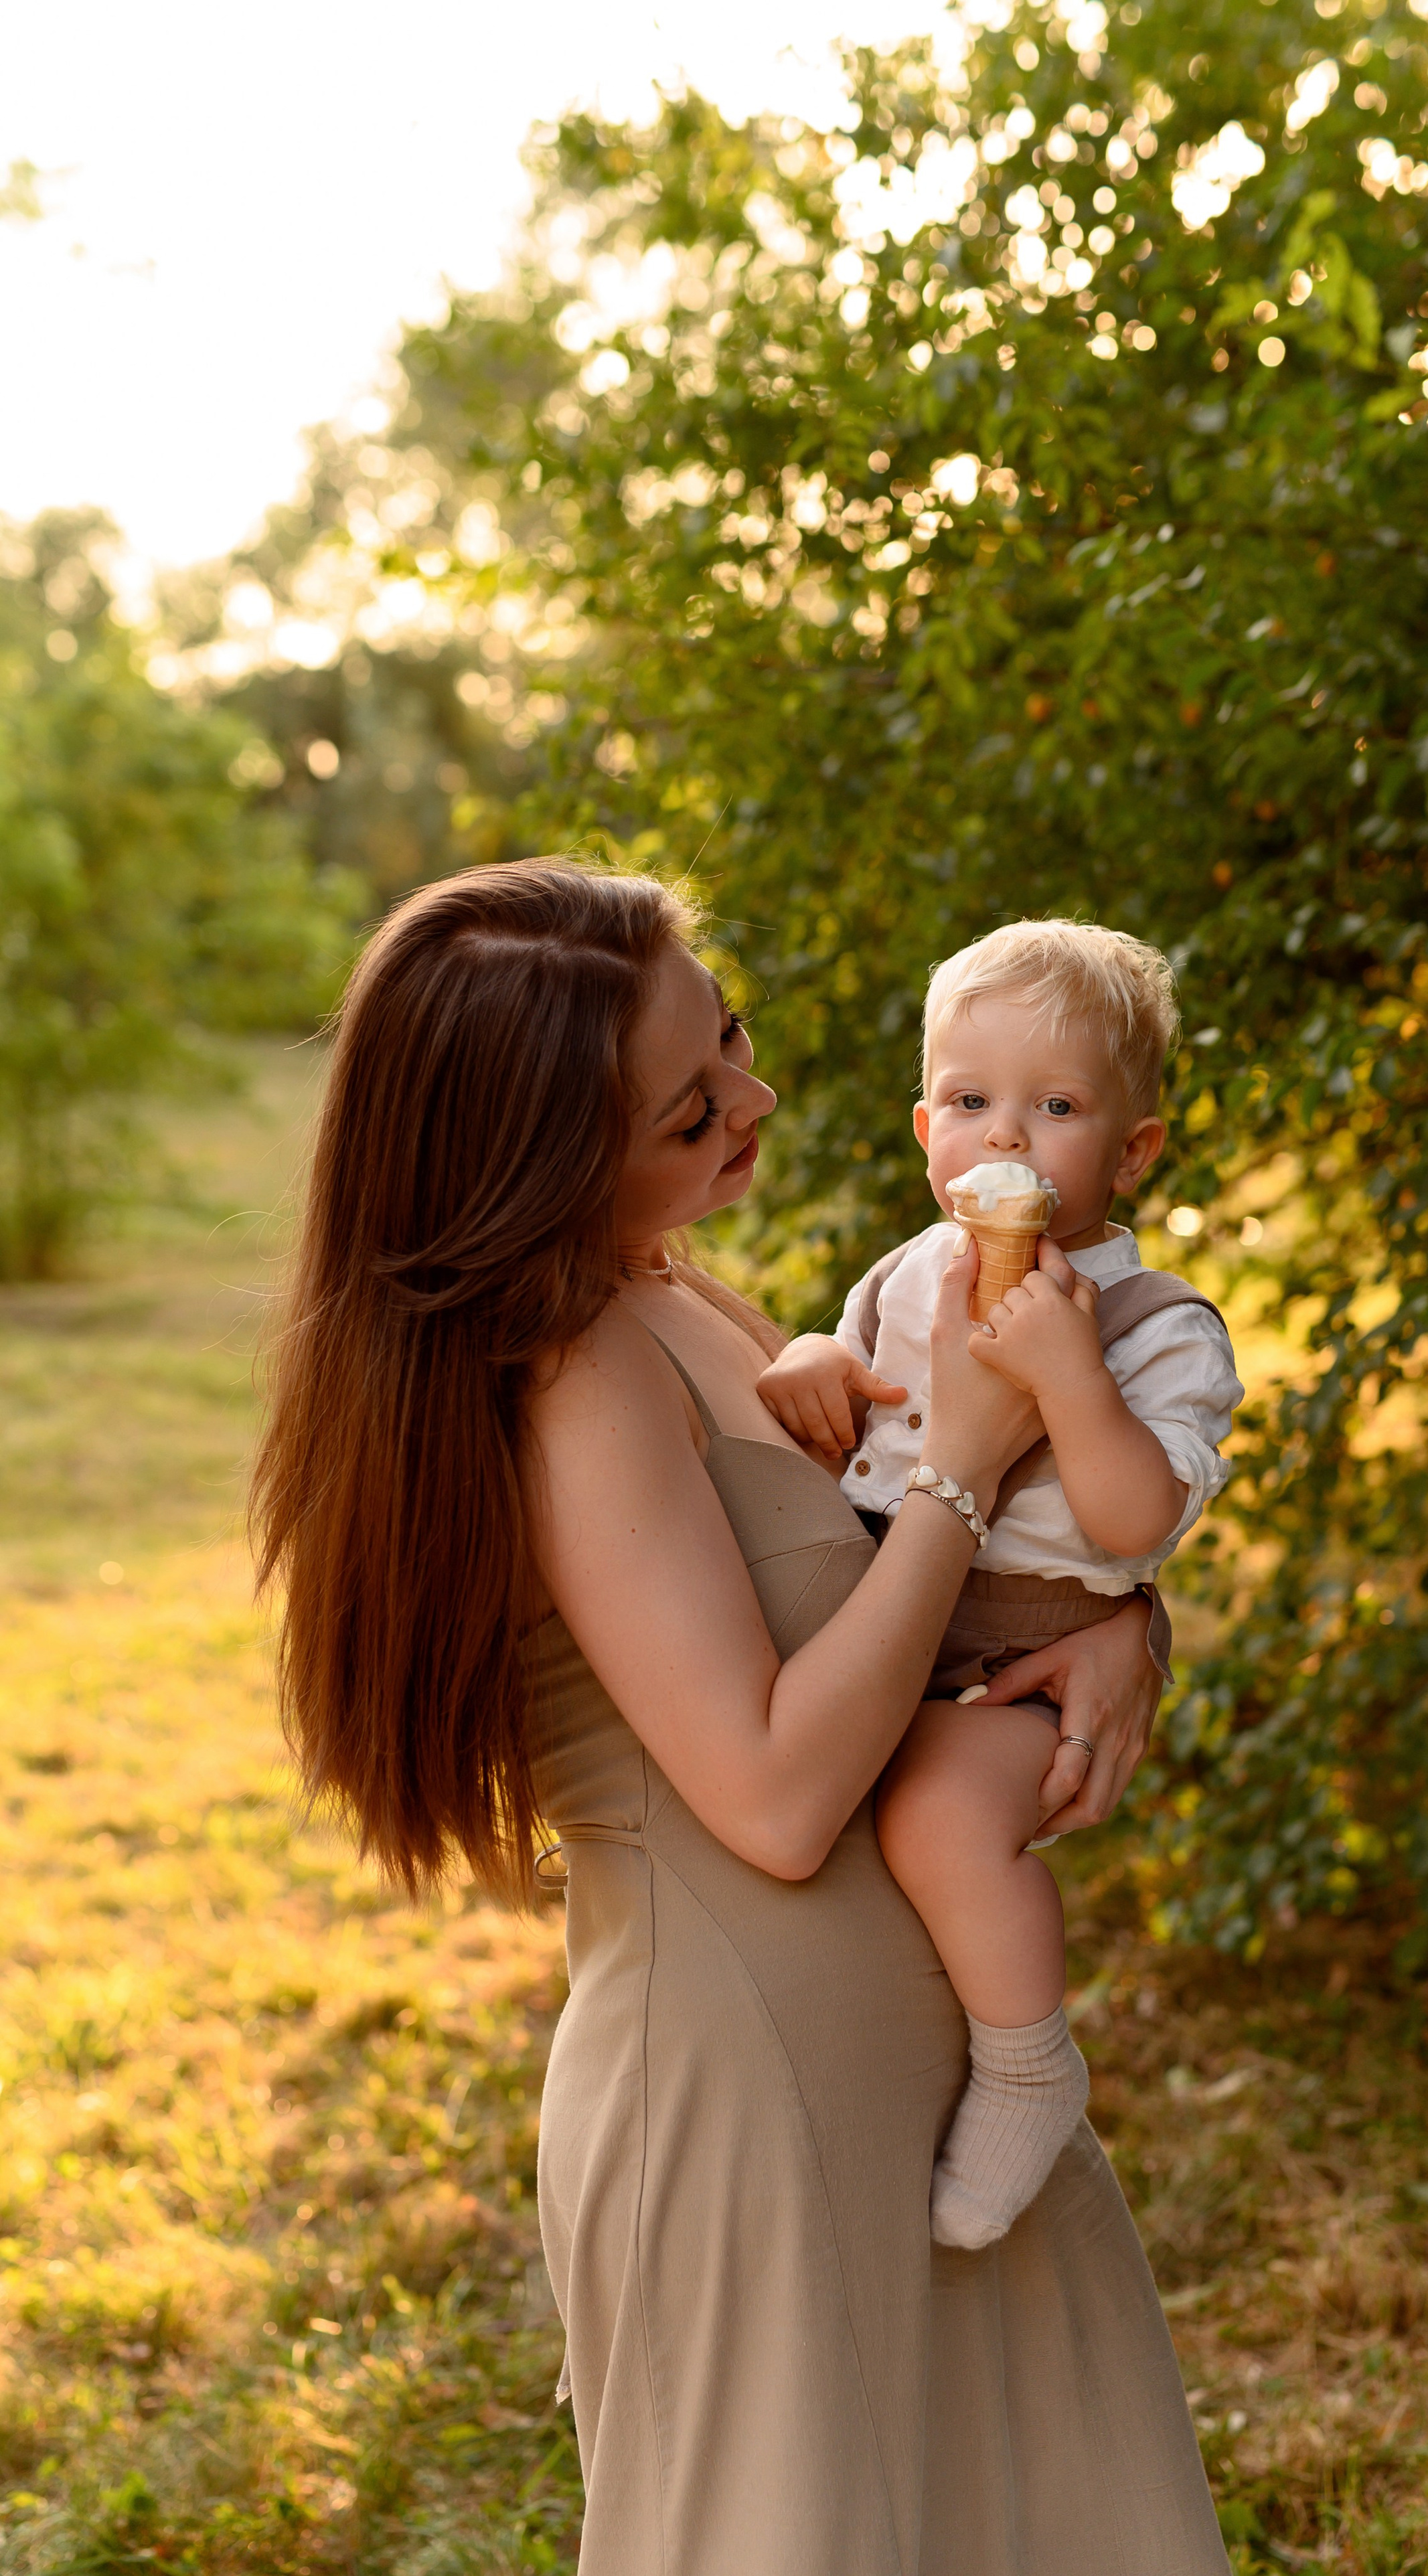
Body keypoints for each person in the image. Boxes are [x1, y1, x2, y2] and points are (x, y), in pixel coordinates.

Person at [251, 860, 1230, 2576]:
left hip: (926, 2075)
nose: (757, 1101)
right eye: (692, 1100)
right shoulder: (568, 1376)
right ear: (542, 1157)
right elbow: (773, 1795)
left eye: (736, 1041)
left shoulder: (674, 1287)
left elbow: (906, 1589)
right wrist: (962, 1460)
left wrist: (1117, 1621)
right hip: (751, 2101)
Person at [757, 922, 1243, 2251]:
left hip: (1021, 1649)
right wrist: (809, 1357)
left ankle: (1027, 2058)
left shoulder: (1154, 1324)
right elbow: (850, 1394)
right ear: (924, 1126)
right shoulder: (902, 1274)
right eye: (970, 1102)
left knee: (934, 1815)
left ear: (1132, 1150)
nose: (1005, 1141)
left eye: (1057, 1107)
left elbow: (1138, 1519)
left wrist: (1068, 1379)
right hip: (890, 1599)